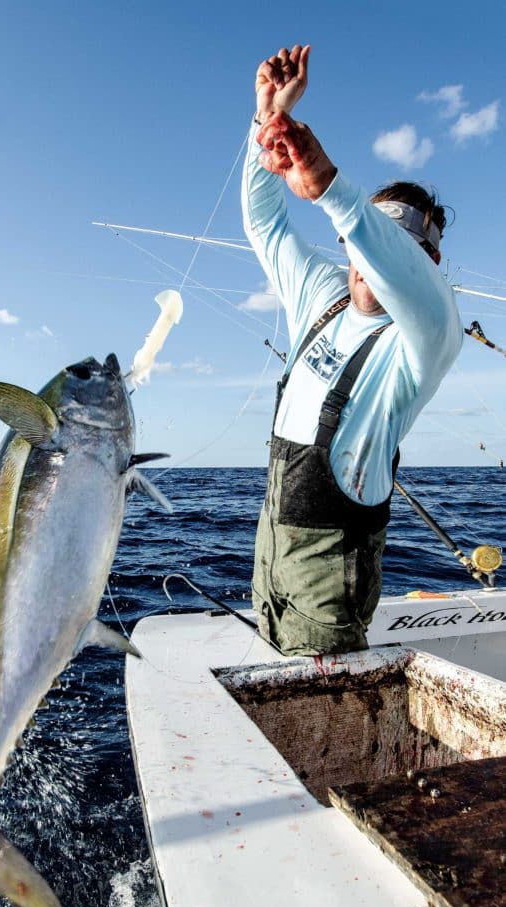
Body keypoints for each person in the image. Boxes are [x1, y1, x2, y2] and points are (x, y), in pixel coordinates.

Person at [242, 45, 463, 656]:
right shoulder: (321, 293)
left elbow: (419, 289)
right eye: (367, 234)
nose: (371, 254)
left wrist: (333, 188)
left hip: (329, 589)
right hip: (269, 562)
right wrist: (267, 120)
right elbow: (264, 224)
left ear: (429, 263)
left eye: (396, 243)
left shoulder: (426, 337)